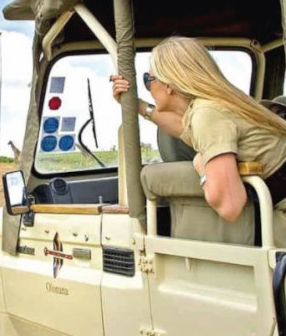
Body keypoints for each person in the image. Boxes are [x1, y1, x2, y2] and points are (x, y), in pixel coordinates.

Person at [111, 36, 286, 243]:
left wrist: (201, 169)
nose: (149, 87)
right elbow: (183, 128)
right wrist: (134, 103)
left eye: (148, 80)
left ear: (169, 85)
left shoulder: (207, 113)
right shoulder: (213, 105)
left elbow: (231, 205)